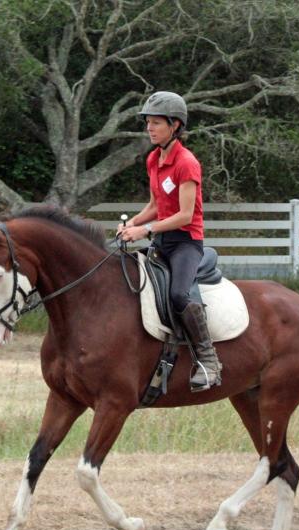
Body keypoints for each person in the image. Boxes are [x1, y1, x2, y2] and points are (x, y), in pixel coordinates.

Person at [118, 91, 222, 392]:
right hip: (162, 239)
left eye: (156, 123)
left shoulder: (187, 163)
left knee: (178, 295)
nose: (149, 128)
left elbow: (185, 215)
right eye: (148, 123)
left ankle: (209, 360)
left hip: (186, 242)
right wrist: (131, 223)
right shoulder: (154, 158)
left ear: (175, 125)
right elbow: (155, 205)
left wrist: (145, 230)